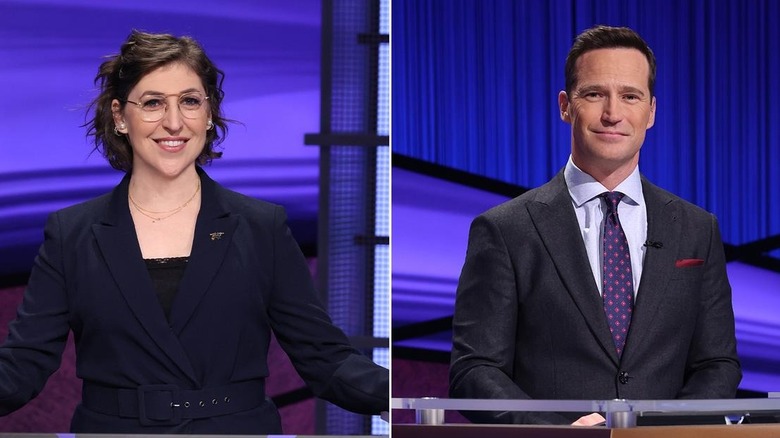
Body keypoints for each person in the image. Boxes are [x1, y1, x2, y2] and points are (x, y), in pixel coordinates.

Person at [0, 30, 388, 434]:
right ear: (119, 116)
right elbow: (23, 365)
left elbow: (325, 359)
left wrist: (402, 401)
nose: (173, 122)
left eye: (189, 101)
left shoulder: (261, 227)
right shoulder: (71, 234)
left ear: (208, 113)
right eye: (152, 103)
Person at [449, 25, 741, 426]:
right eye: (594, 94)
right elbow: (475, 369)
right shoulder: (505, 230)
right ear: (566, 106)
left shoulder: (696, 229)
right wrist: (555, 433)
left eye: (630, 96)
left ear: (651, 112)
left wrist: (661, 433)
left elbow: (718, 364)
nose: (613, 113)